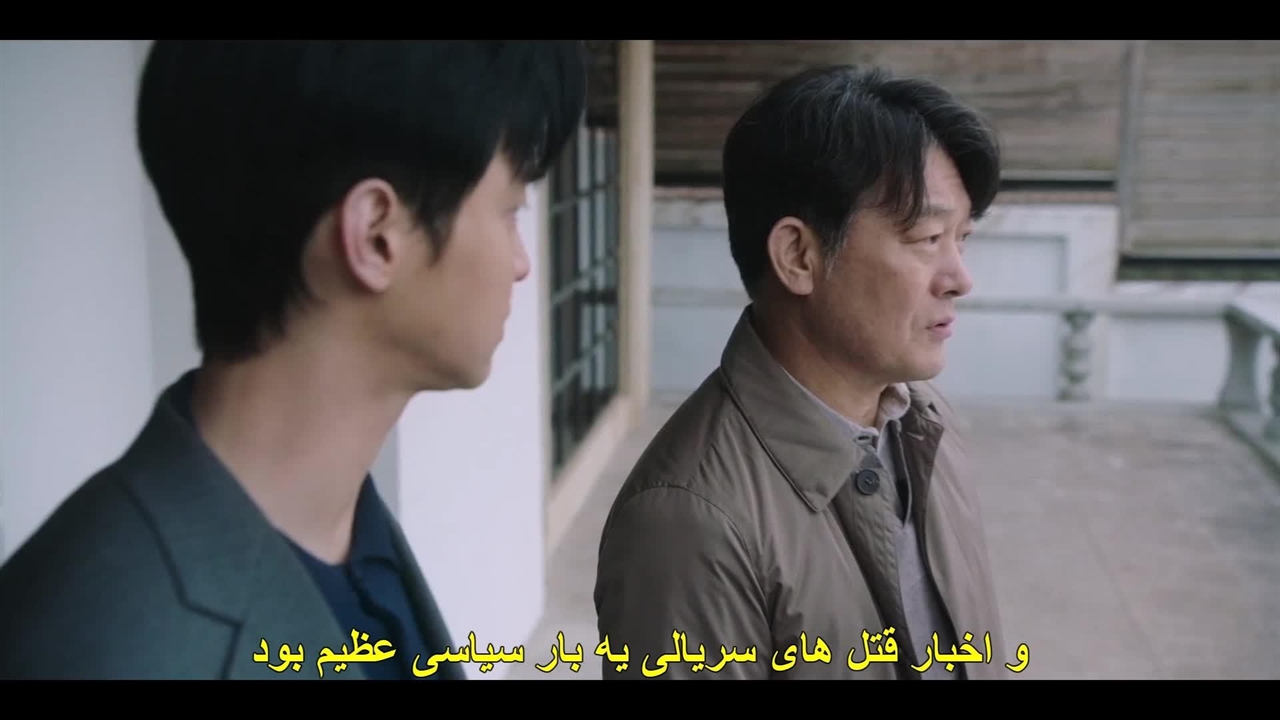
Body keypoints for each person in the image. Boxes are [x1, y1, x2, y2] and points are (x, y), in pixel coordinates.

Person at [0, 40, 587, 680]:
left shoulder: (353, 541)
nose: (521, 263)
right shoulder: (94, 644)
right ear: (377, 236)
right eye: (509, 211)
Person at [593, 64, 1011, 680]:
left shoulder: (925, 423)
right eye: (927, 238)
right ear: (798, 256)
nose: (959, 278)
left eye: (962, 238)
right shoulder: (686, 523)